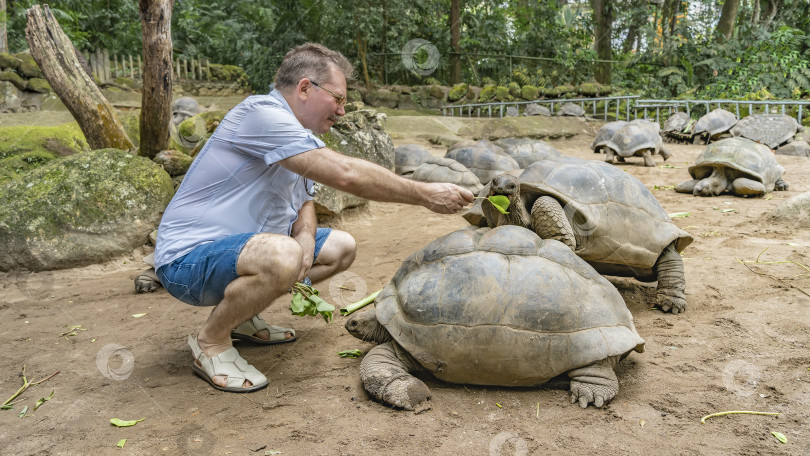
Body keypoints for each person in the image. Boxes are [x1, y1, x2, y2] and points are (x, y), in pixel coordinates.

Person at [153, 43, 474, 393]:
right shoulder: (262, 115)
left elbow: (304, 203)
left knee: (341, 247)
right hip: (187, 262)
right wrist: (425, 194)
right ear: (305, 88)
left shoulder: (300, 137)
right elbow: (345, 173)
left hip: (240, 253)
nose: (341, 111)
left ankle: (241, 318)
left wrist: (305, 240)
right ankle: (211, 342)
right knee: (283, 256)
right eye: (337, 99)